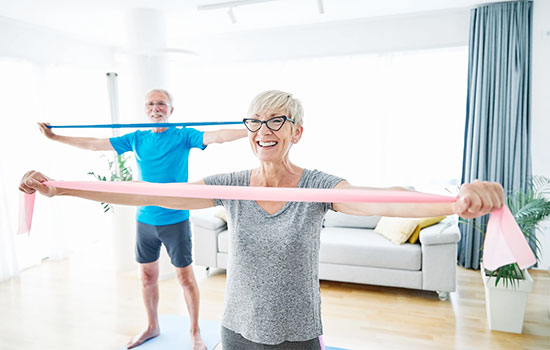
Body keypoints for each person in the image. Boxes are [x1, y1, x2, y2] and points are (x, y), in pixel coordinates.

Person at [23, 90, 505, 349]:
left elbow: (386, 200)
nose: (265, 130)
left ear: (296, 132)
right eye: (256, 121)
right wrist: (59, 188)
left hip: (298, 332)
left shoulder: (317, 186)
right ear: (248, 131)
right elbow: (148, 192)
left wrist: (454, 200)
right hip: (235, 330)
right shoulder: (230, 184)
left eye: (277, 121)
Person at [37, 89, 248, 350]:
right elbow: (95, 144)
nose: (155, 108)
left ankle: (195, 332)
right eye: (150, 104)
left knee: (185, 278)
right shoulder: (136, 138)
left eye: (161, 103)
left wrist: (251, 129)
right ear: (145, 109)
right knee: (147, 276)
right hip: (145, 220)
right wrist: (55, 137)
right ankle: (152, 325)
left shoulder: (183, 135)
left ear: (171, 110)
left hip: (175, 219)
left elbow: (217, 137)